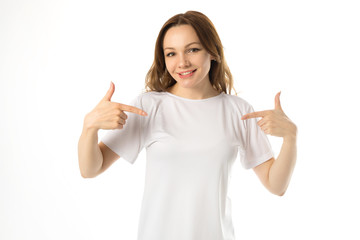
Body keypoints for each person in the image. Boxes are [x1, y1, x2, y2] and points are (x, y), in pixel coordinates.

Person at [78, 10, 297, 240]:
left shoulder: (238, 111)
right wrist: (89, 128)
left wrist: (291, 137)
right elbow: (91, 168)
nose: (182, 62)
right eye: (171, 53)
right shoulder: (149, 106)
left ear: (212, 52)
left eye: (192, 49)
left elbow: (276, 185)